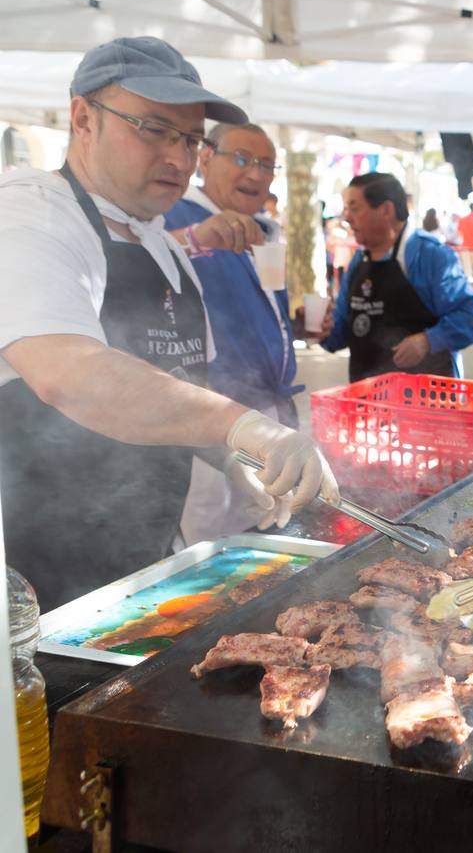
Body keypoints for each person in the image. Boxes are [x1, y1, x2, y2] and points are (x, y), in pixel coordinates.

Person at [0, 37, 337, 608]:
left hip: (142, 561)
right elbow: (69, 373)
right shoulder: (29, 213)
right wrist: (241, 426)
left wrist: (231, 456)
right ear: (84, 119)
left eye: (189, 138)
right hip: (32, 580)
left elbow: (180, 383)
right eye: (153, 129)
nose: (180, 158)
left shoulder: (164, 246)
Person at [162, 122, 302, 543]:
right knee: (204, 542)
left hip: (266, 412)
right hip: (206, 421)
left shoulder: (260, 228)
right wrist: (194, 237)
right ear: (205, 156)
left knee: (259, 534)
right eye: (242, 159)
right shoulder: (176, 213)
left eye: (266, 165)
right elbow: (136, 262)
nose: (256, 174)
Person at [320, 172, 473, 382]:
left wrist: (427, 341)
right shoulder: (359, 261)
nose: (347, 217)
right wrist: (321, 330)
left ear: (386, 210)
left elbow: (468, 317)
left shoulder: (430, 255)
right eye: (346, 209)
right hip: (368, 399)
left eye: (354, 208)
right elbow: (340, 333)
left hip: (428, 400)